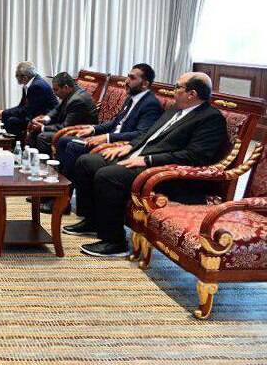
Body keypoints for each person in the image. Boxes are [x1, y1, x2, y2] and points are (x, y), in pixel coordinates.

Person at [64, 72, 229, 258]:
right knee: (86, 162)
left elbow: (194, 156)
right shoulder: (175, 109)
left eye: (177, 87)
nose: (173, 91)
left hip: (165, 173)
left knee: (108, 175)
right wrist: (129, 146)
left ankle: (115, 242)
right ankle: (92, 221)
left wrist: (147, 160)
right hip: (140, 156)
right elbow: (148, 134)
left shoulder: (210, 118)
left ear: (192, 94)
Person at [55, 63, 163, 189]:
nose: (126, 81)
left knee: (73, 146)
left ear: (145, 84)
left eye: (132, 78)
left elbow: (141, 134)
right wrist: (93, 129)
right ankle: (57, 187)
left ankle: (64, 193)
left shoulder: (151, 104)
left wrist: (107, 138)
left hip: (119, 146)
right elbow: (115, 122)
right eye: (128, 76)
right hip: (109, 139)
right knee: (63, 140)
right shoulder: (131, 98)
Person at [29, 72, 98, 155]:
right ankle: (31, 158)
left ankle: (44, 161)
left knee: (43, 136)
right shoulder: (71, 91)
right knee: (34, 129)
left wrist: (43, 127)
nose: (54, 93)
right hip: (69, 126)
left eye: (56, 90)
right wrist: (45, 119)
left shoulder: (78, 100)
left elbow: (66, 127)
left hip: (80, 133)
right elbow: (57, 109)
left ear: (65, 87)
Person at [0, 62, 58, 139]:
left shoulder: (37, 86)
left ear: (25, 78)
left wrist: (2, 113)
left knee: (12, 121)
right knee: (7, 117)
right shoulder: (29, 85)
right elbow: (21, 106)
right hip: (35, 114)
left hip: (45, 118)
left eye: (16, 76)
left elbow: (26, 110)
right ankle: (7, 142)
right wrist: (2, 112)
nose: (16, 78)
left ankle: (14, 144)